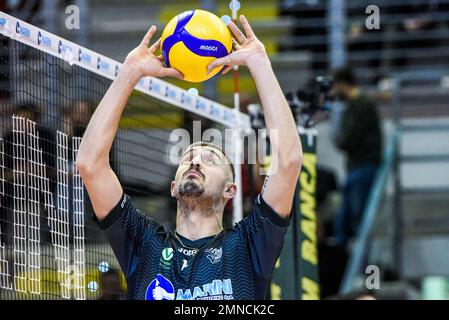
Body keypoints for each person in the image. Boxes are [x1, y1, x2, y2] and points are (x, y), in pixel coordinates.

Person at [76, 16, 303, 300]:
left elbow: (289, 161)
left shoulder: (248, 244)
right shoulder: (145, 245)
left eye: (210, 158)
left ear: (230, 190)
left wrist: (259, 64)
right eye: (187, 158)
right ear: (173, 187)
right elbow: (89, 163)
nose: (194, 162)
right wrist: (130, 73)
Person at [331, 67, 382, 250]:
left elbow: (348, 139)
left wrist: (339, 139)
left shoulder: (360, 105)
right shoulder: (357, 105)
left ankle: (365, 265)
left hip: (363, 167)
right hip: (358, 167)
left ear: (342, 85)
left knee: (358, 219)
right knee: (345, 221)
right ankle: (348, 264)